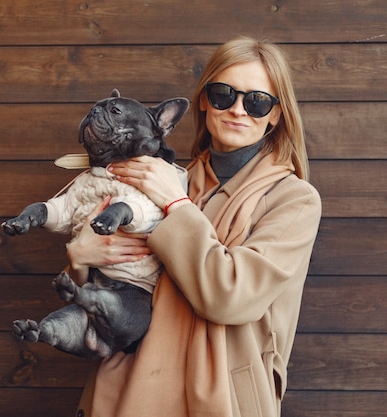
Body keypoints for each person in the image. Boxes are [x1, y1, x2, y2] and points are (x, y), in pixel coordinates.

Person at [66, 36, 322, 417]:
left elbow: (230, 296)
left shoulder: (295, 200)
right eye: (223, 94)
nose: (238, 110)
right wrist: (80, 258)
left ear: (275, 114)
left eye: (257, 101)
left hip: (219, 399)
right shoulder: (168, 178)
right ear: (204, 100)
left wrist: (177, 205)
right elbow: (113, 289)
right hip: (130, 388)